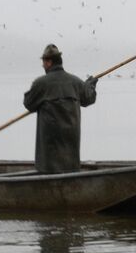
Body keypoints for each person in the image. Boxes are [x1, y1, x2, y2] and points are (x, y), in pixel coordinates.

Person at [23, 44, 97, 174]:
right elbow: (89, 98)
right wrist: (90, 85)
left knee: (49, 172)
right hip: (71, 157)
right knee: (70, 170)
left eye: (43, 62)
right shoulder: (76, 82)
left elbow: (29, 104)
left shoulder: (41, 84)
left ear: (49, 62)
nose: (42, 65)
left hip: (48, 161)